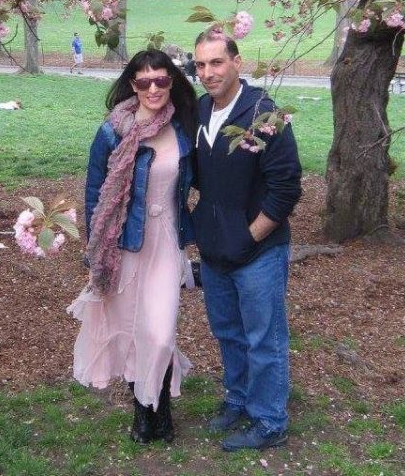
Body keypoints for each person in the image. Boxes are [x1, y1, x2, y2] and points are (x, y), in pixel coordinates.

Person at [67, 49, 197, 444]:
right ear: (132, 85)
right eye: (144, 82)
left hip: (167, 242)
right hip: (123, 244)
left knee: (159, 332)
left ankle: (160, 404)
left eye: (161, 80)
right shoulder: (113, 131)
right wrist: (96, 249)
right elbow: (96, 192)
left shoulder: (184, 125)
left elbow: (206, 178)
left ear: (171, 82)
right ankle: (145, 413)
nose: (153, 88)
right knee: (129, 330)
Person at [192, 29, 302, 452]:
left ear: (237, 62)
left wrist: (249, 237)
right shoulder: (200, 110)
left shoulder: (264, 116)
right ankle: (237, 400)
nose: (208, 73)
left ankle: (270, 420)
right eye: (200, 65)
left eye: (216, 62)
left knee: (264, 337)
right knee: (228, 333)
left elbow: (286, 188)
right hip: (217, 250)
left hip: (258, 253)